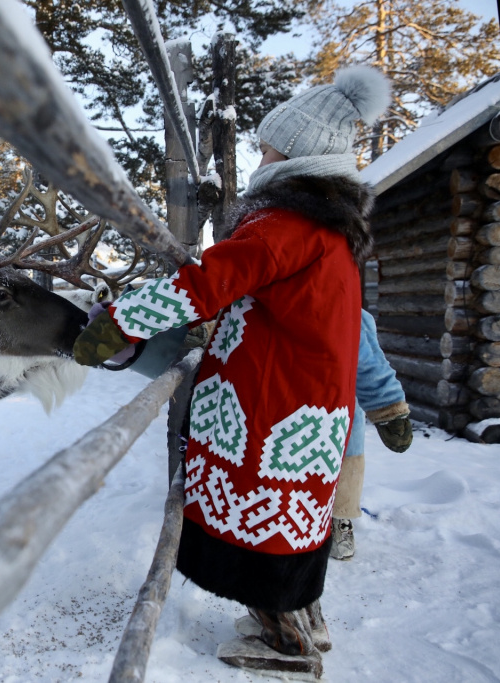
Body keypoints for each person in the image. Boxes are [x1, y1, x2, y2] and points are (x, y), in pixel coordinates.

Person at [74, 66, 391, 678]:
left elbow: (207, 282)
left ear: (296, 155)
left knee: (257, 526)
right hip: (303, 406)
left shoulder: (285, 226)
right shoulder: (329, 233)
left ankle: (288, 645)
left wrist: (120, 322)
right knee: (288, 521)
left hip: (268, 408)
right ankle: (303, 620)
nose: (259, 153)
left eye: (270, 145)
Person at [332, 309, 413, 560]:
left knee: (345, 462)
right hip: (286, 404)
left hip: (340, 405)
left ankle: (340, 519)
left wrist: (388, 406)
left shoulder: (352, 312)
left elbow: (368, 361)